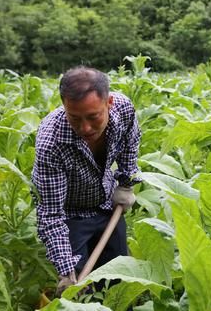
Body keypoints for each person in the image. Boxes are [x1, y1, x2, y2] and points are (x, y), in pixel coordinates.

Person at [32, 66, 141, 297]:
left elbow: (131, 143)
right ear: (64, 107)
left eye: (93, 117)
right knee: (79, 292)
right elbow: (51, 214)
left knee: (119, 282)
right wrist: (66, 270)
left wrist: (126, 182)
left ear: (108, 102)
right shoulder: (51, 142)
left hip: (107, 205)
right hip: (70, 216)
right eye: (75, 118)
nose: (85, 128)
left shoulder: (123, 109)